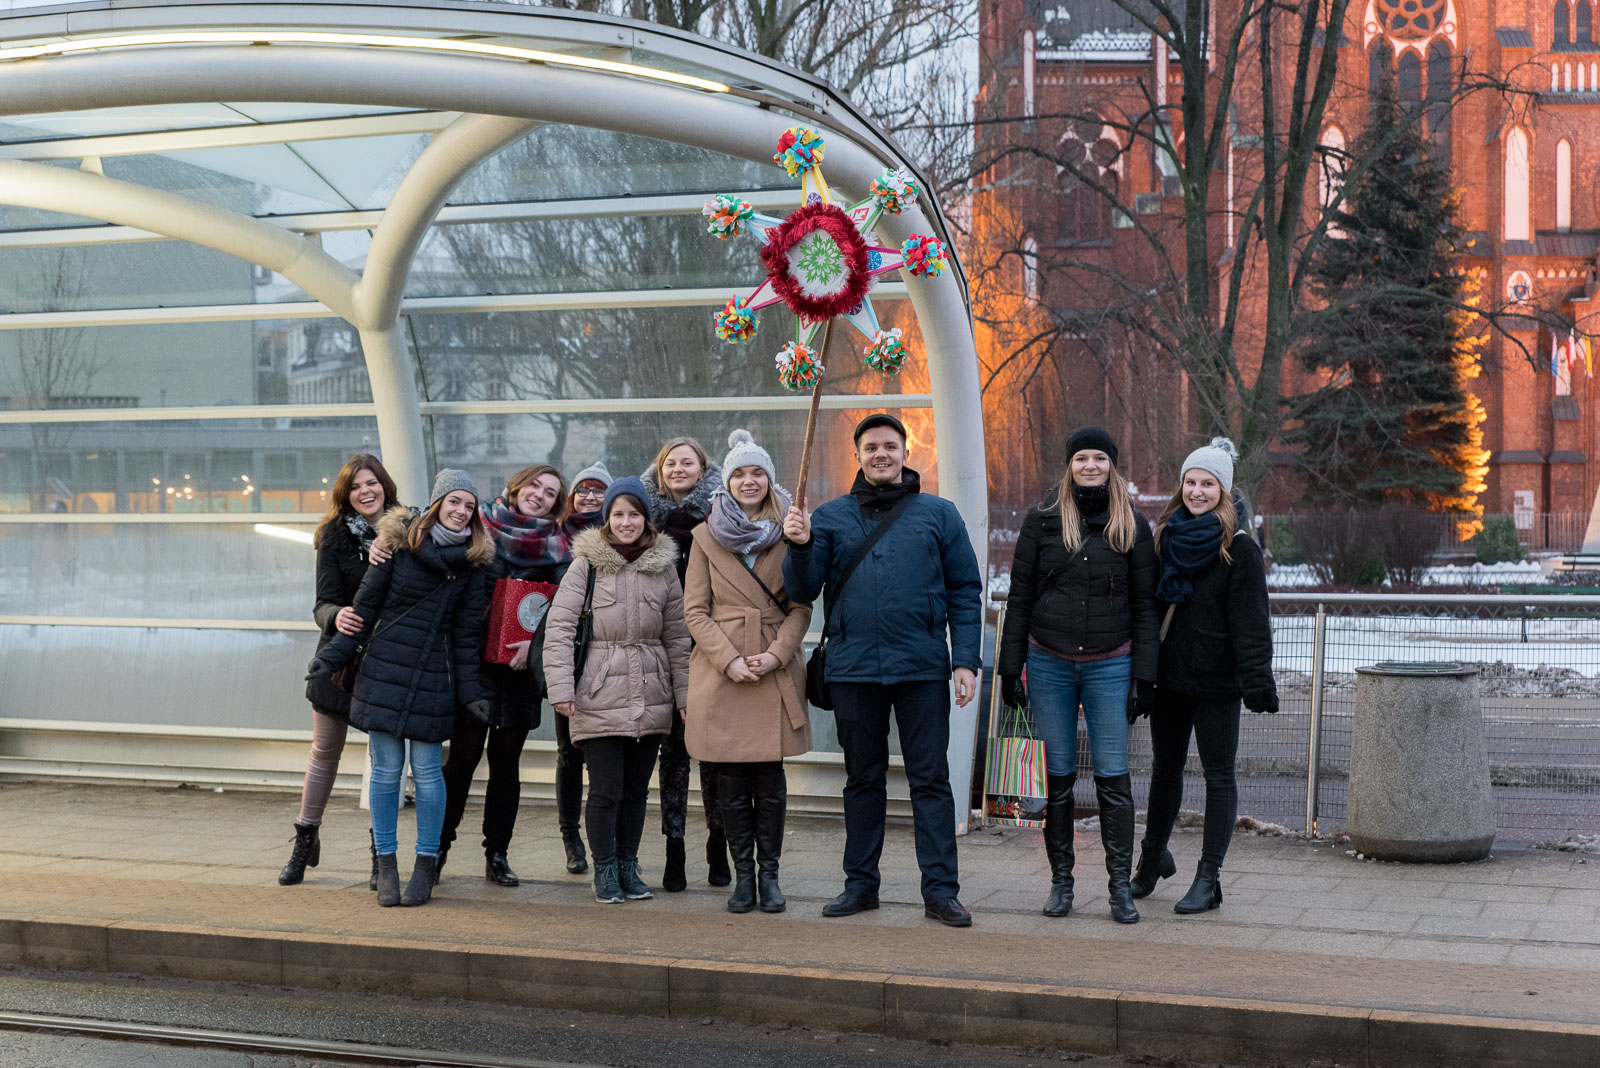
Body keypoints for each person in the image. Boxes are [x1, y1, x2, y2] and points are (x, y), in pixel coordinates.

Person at [782, 413, 984, 927]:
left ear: (904, 452)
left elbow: (966, 591)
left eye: (890, 446)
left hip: (921, 668)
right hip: (853, 671)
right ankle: (860, 884)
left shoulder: (939, 514)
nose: (881, 454)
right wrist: (800, 545)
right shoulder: (827, 518)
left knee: (930, 781)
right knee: (862, 779)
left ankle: (941, 891)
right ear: (858, 455)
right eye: (871, 447)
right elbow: (802, 589)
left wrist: (966, 660)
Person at [307, 470, 493, 908]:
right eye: (454, 502)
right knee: (387, 771)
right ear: (436, 505)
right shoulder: (395, 547)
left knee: (428, 773)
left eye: (469, 506)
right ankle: (386, 864)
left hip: (432, 678)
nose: (461, 511)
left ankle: (425, 866)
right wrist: (329, 658)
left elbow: (467, 638)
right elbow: (363, 612)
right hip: (383, 674)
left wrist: (471, 694)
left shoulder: (472, 565)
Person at [996, 427, 1158, 924]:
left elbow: (1145, 605)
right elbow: (1019, 597)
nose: (1090, 465)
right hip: (1049, 663)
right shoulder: (1042, 521)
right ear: (1069, 465)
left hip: (1112, 663)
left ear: (1113, 465)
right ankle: (1061, 883)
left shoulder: (1132, 524)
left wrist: (1144, 676)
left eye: (1099, 458)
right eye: (1081, 457)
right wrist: (1009, 666)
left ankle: (1118, 888)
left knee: (1113, 777)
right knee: (1059, 778)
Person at [1133, 438, 1277, 914]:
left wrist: (1258, 683)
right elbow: (1151, 613)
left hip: (1216, 683)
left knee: (1219, 778)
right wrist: (1143, 677)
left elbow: (1252, 624)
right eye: (1191, 483)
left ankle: (1208, 877)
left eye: (1207, 484)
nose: (1197, 492)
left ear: (1224, 489)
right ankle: (1150, 860)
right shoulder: (1165, 537)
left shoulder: (1239, 549)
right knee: (1164, 773)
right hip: (1170, 681)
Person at [544, 477, 691, 904]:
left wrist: (684, 698)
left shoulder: (664, 568)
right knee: (606, 790)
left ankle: (629, 864)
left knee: (636, 791)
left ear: (647, 518)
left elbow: (678, 640)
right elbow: (559, 631)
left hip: (651, 695)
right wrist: (561, 689)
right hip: (598, 691)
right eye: (618, 514)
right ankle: (605, 868)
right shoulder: (585, 565)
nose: (627, 522)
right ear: (607, 518)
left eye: (634, 513)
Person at [683, 431, 813, 913]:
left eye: (757, 472)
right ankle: (743, 878)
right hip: (724, 670)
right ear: (726, 482)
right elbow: (694, 610)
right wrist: (730, 659)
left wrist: (777, 655)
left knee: (770, 779)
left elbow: (802, 606)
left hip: (771, 665)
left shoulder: (794, 531)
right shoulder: (705, 535)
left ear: (770, 479)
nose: (749, 480)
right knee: (732, 781)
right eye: (739, 473)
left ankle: (770, 876)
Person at [437, 464, 572, 887]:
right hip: (475, 664)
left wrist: (532, 649)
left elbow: (565, 610)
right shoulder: (480, 529)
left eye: (551, 493)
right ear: (516, 486)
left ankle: (497, 854)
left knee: (506, 764)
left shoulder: (558, 548)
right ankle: (436, 849)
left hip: (520, 671)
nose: (540, 495)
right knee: (461, 759)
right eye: (535, 485)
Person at [281, 454, 402, 888]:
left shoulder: (408, 532)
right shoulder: (332, 537)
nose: (365, 492)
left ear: (385, 486)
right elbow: (322, 603)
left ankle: (379, 852)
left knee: (381, 762)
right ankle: (304, 838)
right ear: (345, 495)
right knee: (324, 753)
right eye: (355, 487)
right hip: (339, 660)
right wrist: (337, 615)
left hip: (386, 662)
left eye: (371, 483)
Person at [639, 437, 729, 891]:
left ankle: (718, 843)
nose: (677, 468)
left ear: (702, 468)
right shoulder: (641, 521)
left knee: (711, 751)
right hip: (660, 649)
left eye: (686, 462)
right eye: (670, 462)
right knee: (671, 755)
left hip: (708, 646)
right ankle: (674, 848)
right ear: (660, 470)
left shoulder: (719, 514)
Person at [550, 459, 612, 875]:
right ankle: (571, 837)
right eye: (583, 490)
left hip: (608, 661)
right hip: (567, 659)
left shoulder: (621, 539)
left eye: (598, 490)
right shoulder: (552, 538)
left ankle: (605, 844)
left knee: (606, 758)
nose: (590, 497)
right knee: (569, 753)